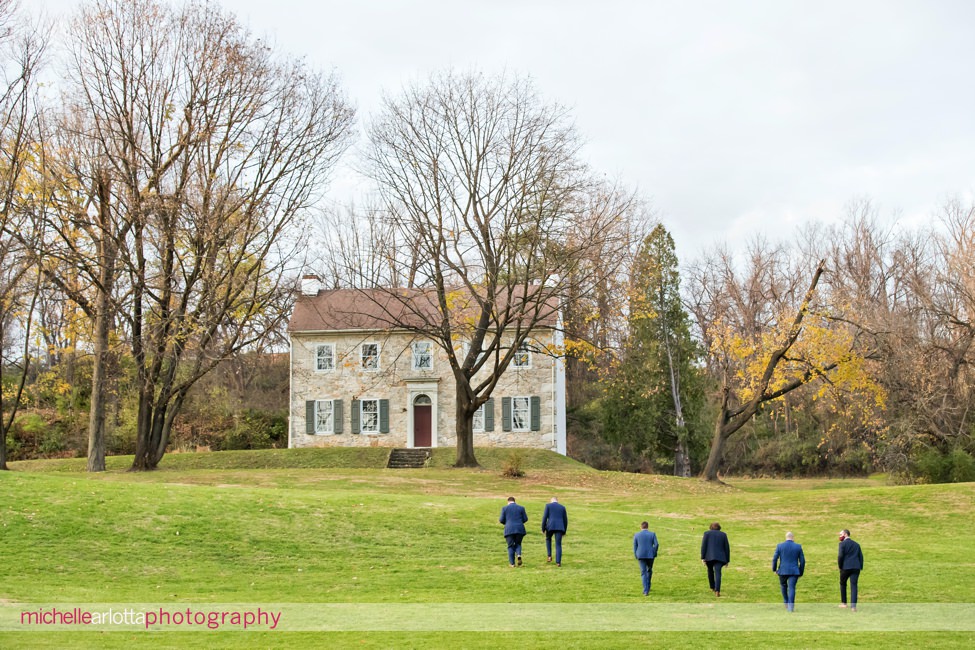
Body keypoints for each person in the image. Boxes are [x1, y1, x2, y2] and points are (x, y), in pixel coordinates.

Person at [772, 531, 805, 612]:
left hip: (783, 570)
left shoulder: (780, 546)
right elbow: (803, 561)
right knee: (792, 588)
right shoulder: (798, 546)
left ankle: (786, 601)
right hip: (794, 571)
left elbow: (775, 559)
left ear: (786, 537)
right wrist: (801, 571)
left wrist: (774, 569)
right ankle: (791, 607)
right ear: (793, 537)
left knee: (783, 586)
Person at [701, 522, 730, 596]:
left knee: (710, 571)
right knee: (718, 573)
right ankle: (717, 590)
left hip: (709, 556)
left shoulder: (706, 534)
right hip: (720, 557)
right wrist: (727, 560)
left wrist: (703, 557)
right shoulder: (723, 535)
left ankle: (712, 587)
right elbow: (727, 548)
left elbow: (704, 546)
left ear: (710, 527)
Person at [837, 528, 864, 611]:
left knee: (842, 583)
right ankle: (853, 607)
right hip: (856, 567)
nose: (840, 536)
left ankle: (844, 603)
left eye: (841, 535)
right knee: (854, 585)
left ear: (845, 534)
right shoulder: (856, 544)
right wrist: (860, 566)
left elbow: (840, 556)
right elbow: (861, 557)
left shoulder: (842, 544)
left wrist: (840, 566)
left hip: (845, 567)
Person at [499, 496, 528, 567]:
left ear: (508, 501)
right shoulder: (521, 508)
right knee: (518, 543)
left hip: (509, 529)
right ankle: (518, 554)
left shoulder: (504, 508)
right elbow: (525, 519)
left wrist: (507, 523)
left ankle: (512, 563)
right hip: (519, 528)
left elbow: (501, 520)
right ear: (514, 501)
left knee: (510, 546)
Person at [633, 521, 660, 595]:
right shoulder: (652, 534)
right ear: (648, 527)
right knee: (649, 570)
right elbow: (656, 544)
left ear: (641, 527)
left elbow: (635, 546)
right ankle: (648, 586)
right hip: (650, 555)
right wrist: (654, 552)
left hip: (640, 555)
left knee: (643, 572)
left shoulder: (636, 535)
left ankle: (645, 590)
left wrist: (636, 554)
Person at [541, 497, 568, 566]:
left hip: (550, 526)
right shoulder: (562, 507)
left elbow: (544, 517)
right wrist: (564, 530)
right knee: (558, 544)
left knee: (548, 539)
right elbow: (565, 520)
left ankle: (549, 556)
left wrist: (543, 528)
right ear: (557, 501)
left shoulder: (548, 506)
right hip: (560, 527)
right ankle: (558, 562)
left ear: (551, 501)